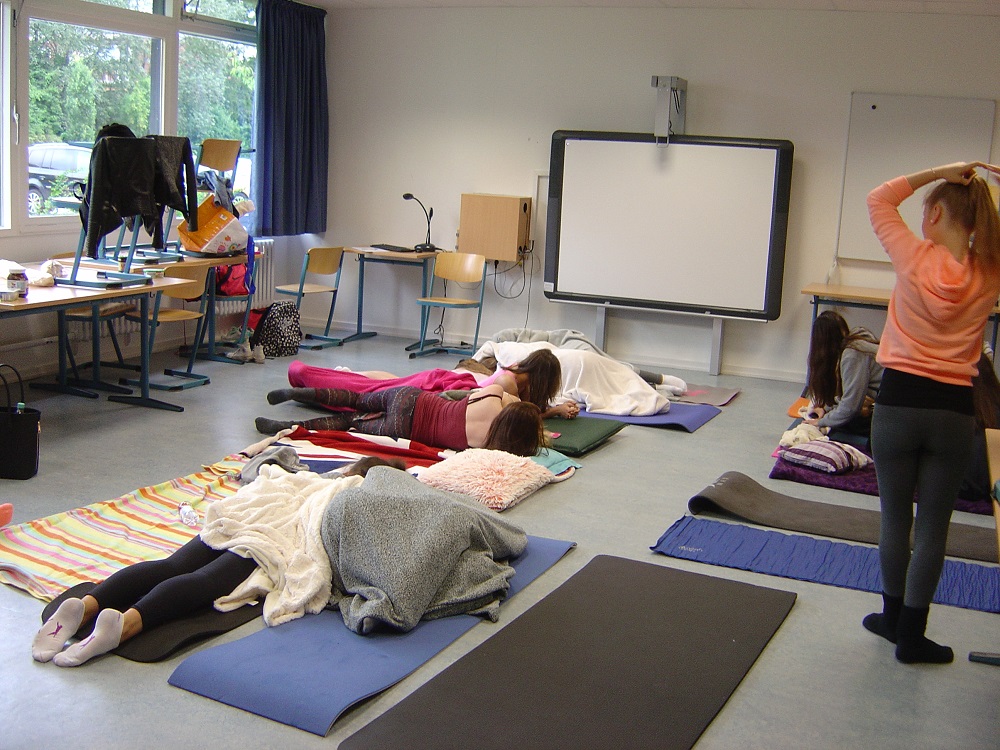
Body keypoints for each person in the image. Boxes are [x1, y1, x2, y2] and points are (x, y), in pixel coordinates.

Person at [31, 456, 403, 668]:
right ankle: (123, 626)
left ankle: (84, 607)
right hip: (270, 536)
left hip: (236, 517)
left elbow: (265, 481)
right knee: (206, 582)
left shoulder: (309, 477)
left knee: (170, 565)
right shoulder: (349, 494)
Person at [862, 161, 1000, 665]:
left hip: (897, 405)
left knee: (895, 520)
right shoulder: (990, 269)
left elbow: (879, 197)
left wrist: (942, 170)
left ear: (936, 213)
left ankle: (891, 617)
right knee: (934, 529)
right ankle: (911, 636)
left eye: (925, 212)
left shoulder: (912, 255)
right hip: (953, 412)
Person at [256, 383, 547, 457]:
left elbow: (509, 394)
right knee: (349, 421)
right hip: (404, 429)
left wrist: (524, 406)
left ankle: (296, 392)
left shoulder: (492, 397)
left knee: (356, 398)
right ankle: (286, 427)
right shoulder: (491, 446)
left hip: (411, 399)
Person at [285, 348, 576, 419]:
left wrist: (556, 410)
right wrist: (555, 411)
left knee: (389, 382)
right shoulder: (509, 384)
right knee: (375, 391)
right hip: (445, 387)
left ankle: (342, 375)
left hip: (450, 381)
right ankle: (306, 375)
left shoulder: (516, 377)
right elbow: (517, 417)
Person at [802, 310, 883, 436]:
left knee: (847, 423)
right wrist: (827, 408)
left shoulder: (853, 354)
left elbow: (850, 407)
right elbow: (850, 396)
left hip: (897, 407)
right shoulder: (855, 343)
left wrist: (821, 422)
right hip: (899, 402)